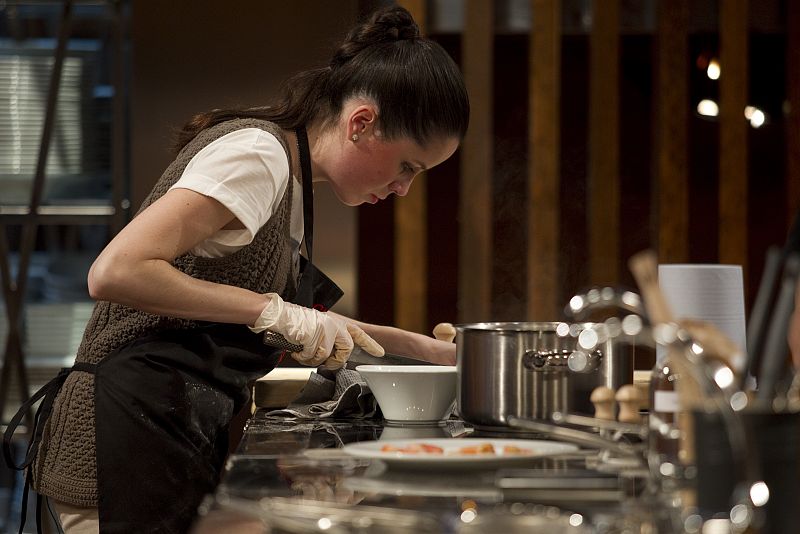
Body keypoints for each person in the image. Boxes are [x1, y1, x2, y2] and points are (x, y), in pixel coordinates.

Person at [3, 5, 469, 533]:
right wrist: (271, 311)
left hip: (167, 430)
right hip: (117, 439)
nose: (404, 188)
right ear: (361, 123)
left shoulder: (293, 182)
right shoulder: (257, 154)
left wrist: (428, 351)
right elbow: (115, 271)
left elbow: (302, 321)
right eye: (408, 166)